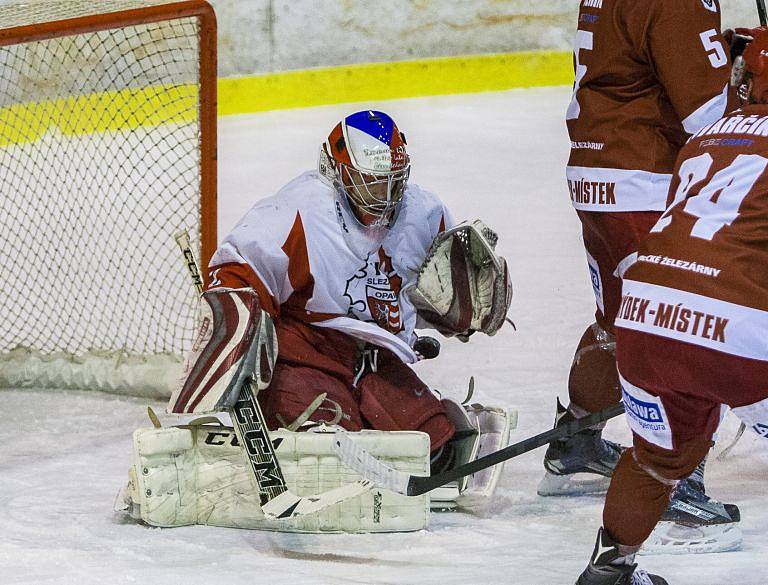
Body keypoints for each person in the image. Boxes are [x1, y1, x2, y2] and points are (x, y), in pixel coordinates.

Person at [183, 109, 511, 471]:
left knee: (433, 446)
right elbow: (235, 272)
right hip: (307, 350)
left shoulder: (424, 214)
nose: (384, 198)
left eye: (392, 182)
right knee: (325, 440)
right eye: (370, 183)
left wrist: (462, 316)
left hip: (374, 357)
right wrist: (239, 331)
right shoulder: (299, 212)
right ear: (335, 172)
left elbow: (436, 298)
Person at [541, 0, 740, 550]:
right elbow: (711, 118)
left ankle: (575, 439)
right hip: (649, 178)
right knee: (686, 327)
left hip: (597, 174)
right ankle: (675, 479)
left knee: (616, 320)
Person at [575, 28, 768, 584]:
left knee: (655, 462)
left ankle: (608, 573)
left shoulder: (708, 138)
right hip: (738, 327)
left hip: (643, 318)